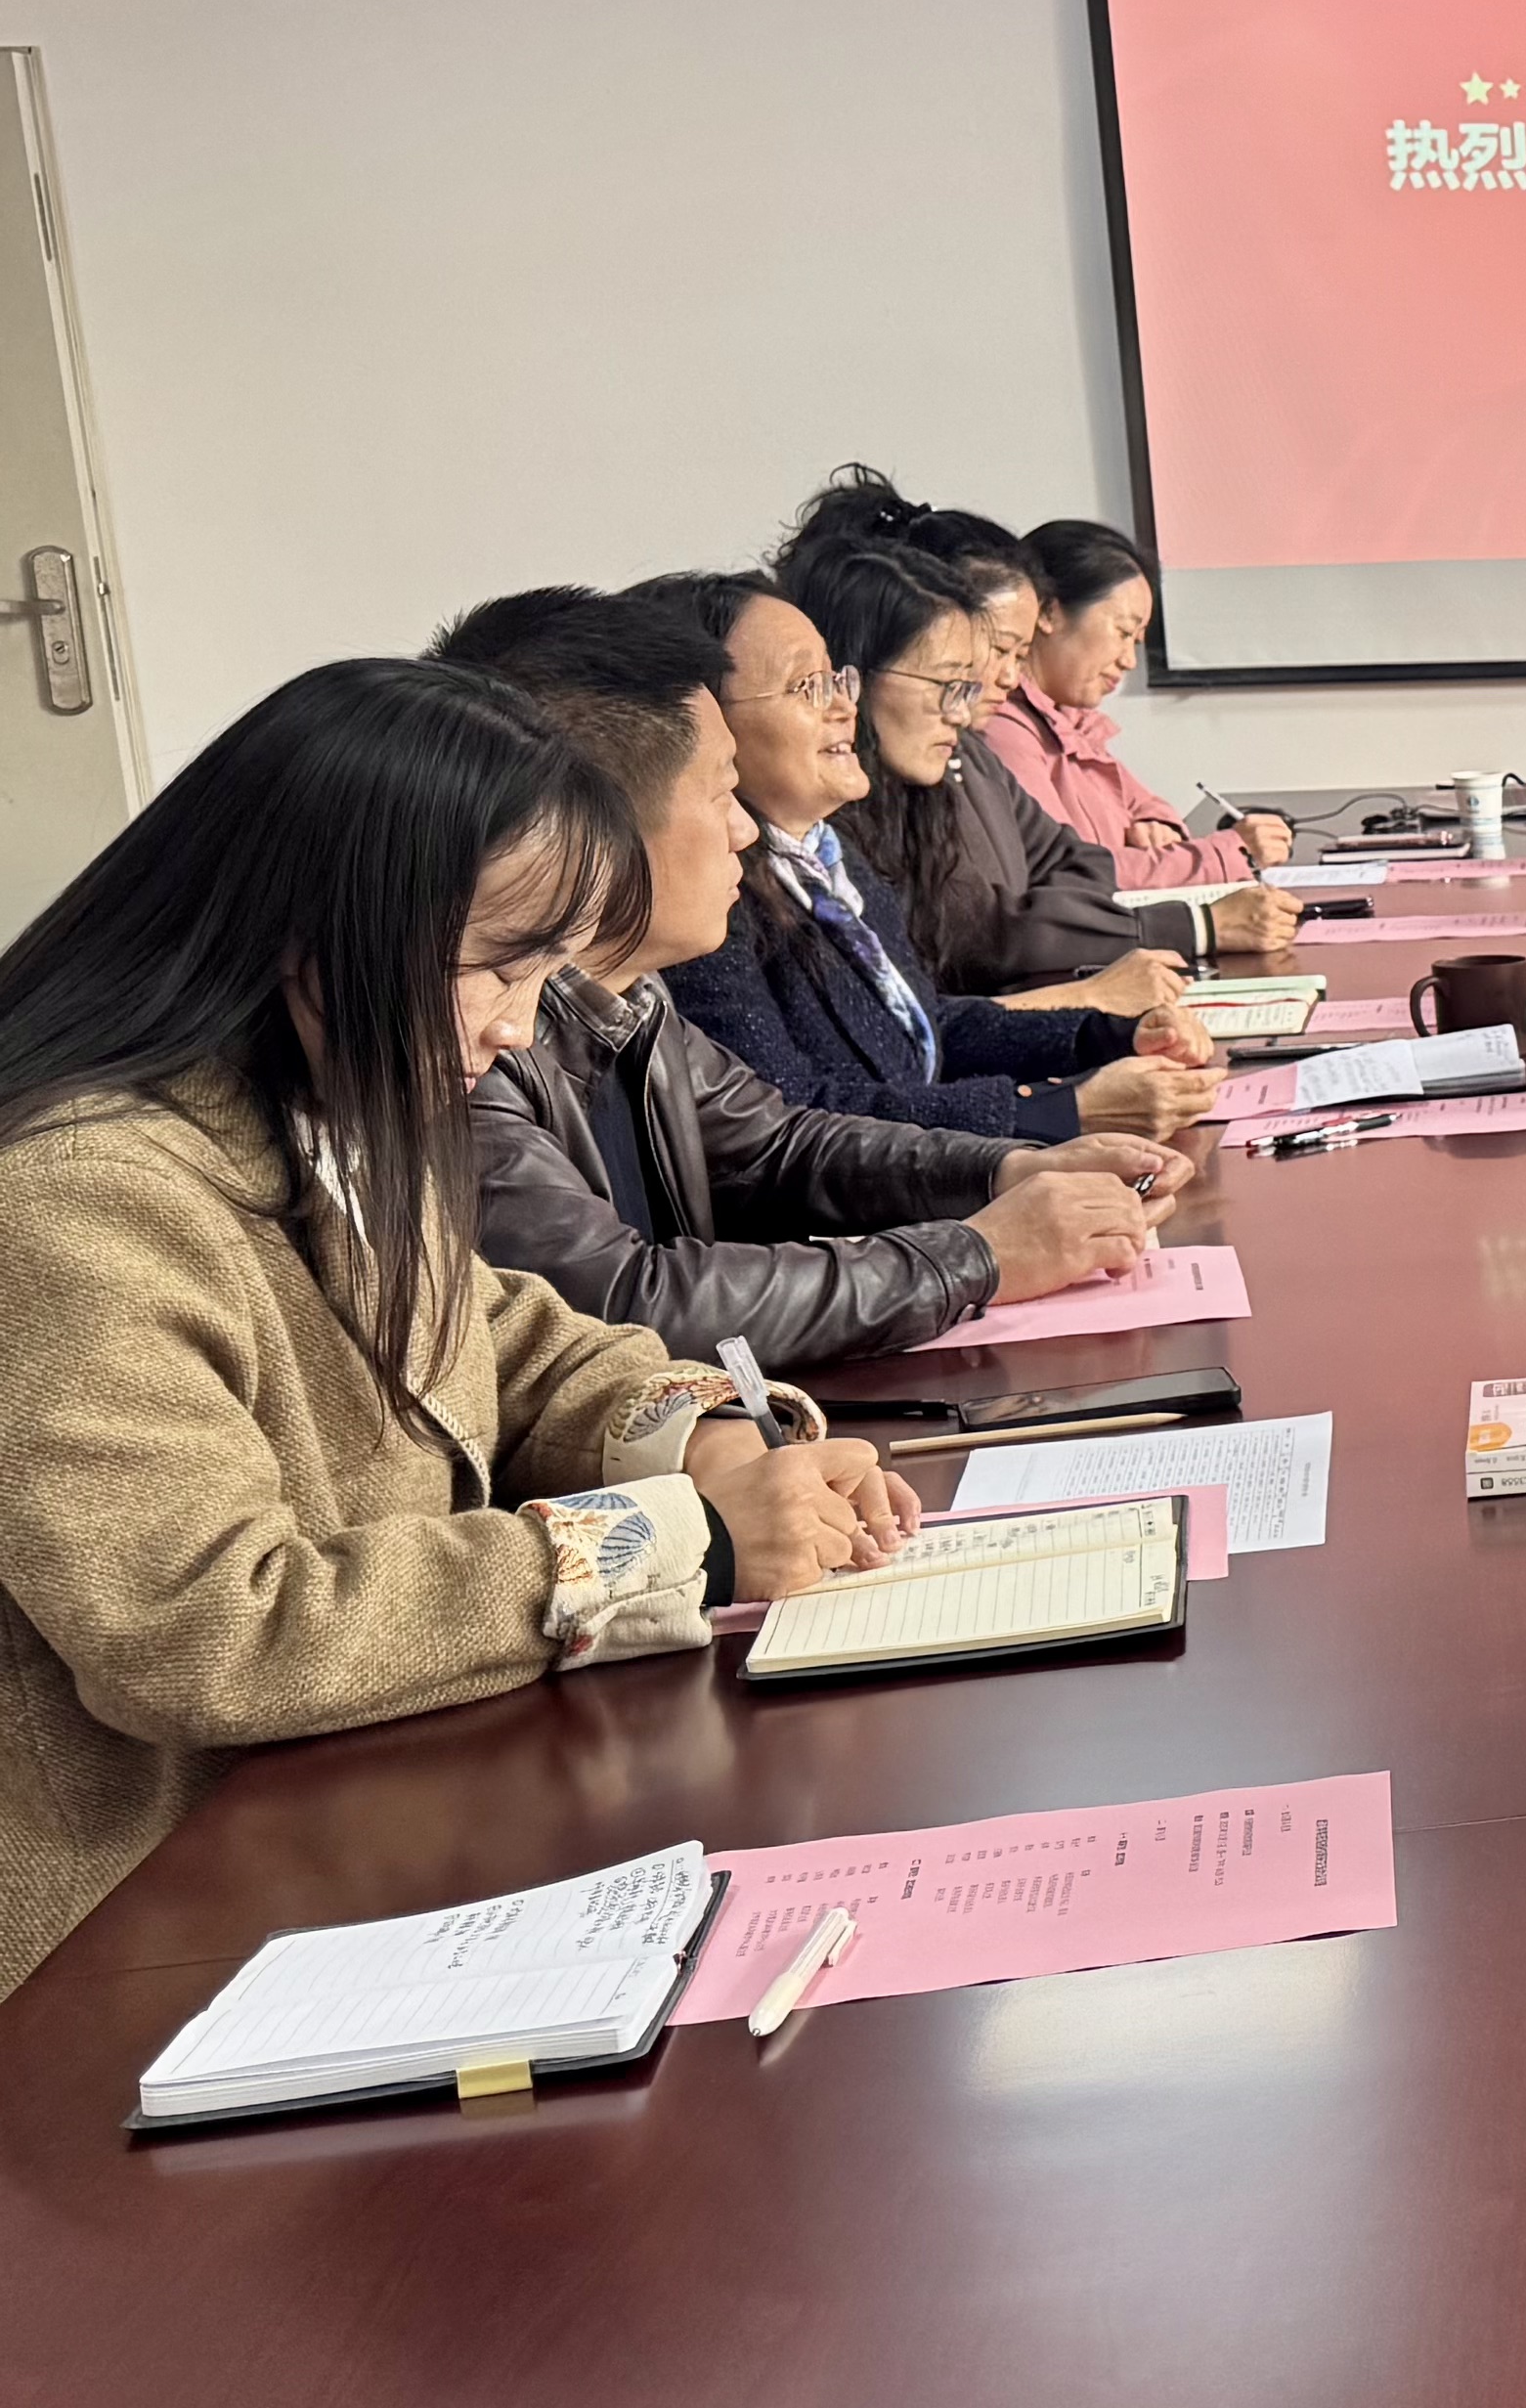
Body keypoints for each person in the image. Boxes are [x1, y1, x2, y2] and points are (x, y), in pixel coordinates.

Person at [0, 658, 910, 1995]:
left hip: (372, 1811)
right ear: (312, 934)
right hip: (149, 1942)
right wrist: (687, 1538)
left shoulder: (325, 1098)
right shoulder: (75, 1195)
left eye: (546, 971)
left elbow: (503, 1340)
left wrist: (704, 1436)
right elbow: (209, 1633)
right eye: (498, 966)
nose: (518, 1027)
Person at [436, 586, 1175, 1369]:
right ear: (596, 826)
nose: (744, 828)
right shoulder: (470, 1042)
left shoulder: (631, 996)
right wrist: (977, 1254)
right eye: (721, 792)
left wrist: (1011, 1167)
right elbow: (623, 1304)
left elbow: (780, 1144)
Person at [663, 558, 1214, 1152]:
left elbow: (928, 1031)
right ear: (702, 721)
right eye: (807, 686)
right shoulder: (708, 905)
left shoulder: (826, 856)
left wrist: (1106, 1036)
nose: (845, 706)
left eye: (836, 679)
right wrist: (1060, 1111)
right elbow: (794, 1124)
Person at [772, 474, 1289, 983]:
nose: (1002, 678)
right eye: (994, 651)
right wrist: (1192, 923)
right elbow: (983, 933)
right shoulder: (894, 781)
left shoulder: (965, 754)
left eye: (1015, 655)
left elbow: (1068, 861)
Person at [980, 517, 1293, 894]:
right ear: (1048, 612)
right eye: (1123, 633)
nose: (1129, 660)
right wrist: (1231, 854)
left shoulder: (1071, 720)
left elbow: (1145, 803)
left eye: (1137, 641)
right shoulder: (1002, 727)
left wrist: (1156, 823)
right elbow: (1070, 873)